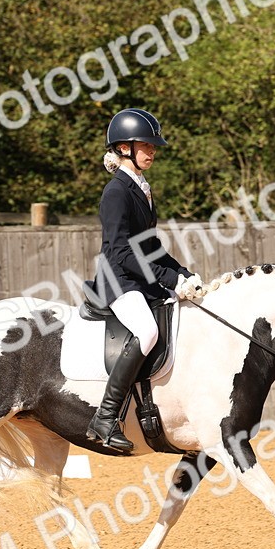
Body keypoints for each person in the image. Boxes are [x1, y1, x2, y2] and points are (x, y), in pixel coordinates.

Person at [84, 108, 203, 452]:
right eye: (146, 146)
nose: (152, 152)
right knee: (148, 331)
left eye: (153, 147)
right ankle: (105, 418)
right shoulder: (116, 192)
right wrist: (168, 278)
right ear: (124, 148)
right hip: (117, 279)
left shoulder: (142, 189)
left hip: (138, 277)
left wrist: (182, 274)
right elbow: (122, 252)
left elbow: (149, 248)